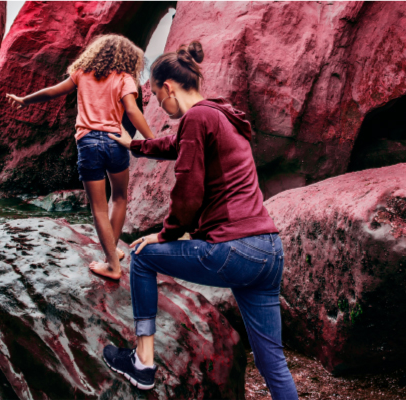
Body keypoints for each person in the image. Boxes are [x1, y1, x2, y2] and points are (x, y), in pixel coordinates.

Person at [102, 40, 299, 400]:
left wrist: (166, 235)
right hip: (268, 250)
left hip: (234, 249)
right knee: (273, 362)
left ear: (168, 87)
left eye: (159, 99)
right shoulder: (221, 115)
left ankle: (142, 364)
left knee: (142, 257)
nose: (161, 106)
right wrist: (135, 146)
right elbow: (177, 145)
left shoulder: (196, 117)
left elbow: (189, 188)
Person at [5, 34, 156, 280]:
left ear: (96, 53)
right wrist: (151, 140)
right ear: (128, 58)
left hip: (88, 143)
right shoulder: (125, 78)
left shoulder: (82, 74)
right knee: (119, 198)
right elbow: (132, 110)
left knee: (97, 207)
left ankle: (112, 264)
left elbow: (52, 92)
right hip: (117, 142)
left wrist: (25, 100)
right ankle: (113, 253)